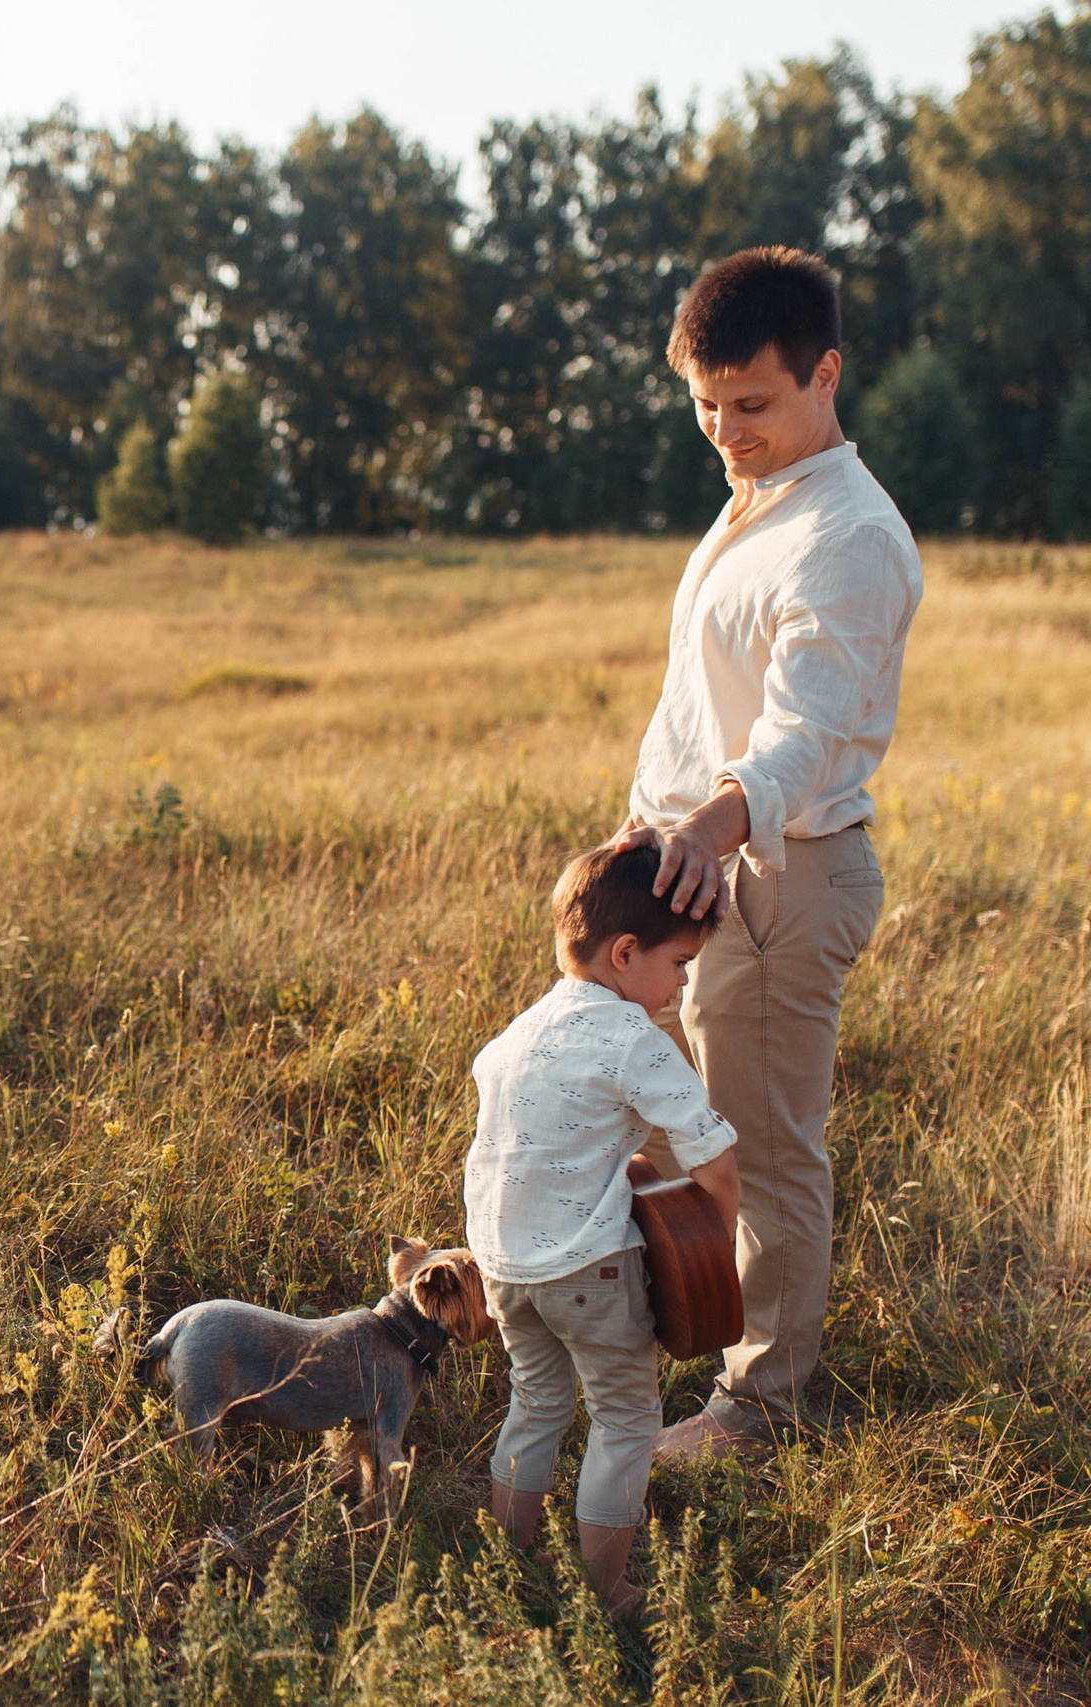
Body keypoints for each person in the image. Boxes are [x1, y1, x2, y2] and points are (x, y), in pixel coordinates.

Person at [617, 246, 921, 1461]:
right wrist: (646, 826)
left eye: (750, 403)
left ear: (824, 374)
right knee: (648, 1125)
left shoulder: (848, 537)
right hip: (688, 868)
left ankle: (762, 1407)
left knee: (763, 1150)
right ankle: (645, 1338)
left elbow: (802, 733)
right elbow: (697, 700)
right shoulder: (757, 498)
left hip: (778, 878)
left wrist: (709, 823)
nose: (724, 431)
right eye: (704, 405)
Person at [467, 842, 742, 1616]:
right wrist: (710, 1249)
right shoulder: (631, 1037)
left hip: (505, 1268)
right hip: (590, 1269)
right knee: (625, 1420)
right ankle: (606, 1593)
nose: (682, 981)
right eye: (680, 962)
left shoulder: (513, 1037)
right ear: (626, 954)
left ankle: (509, 1562)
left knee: (536, 1405)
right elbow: (715, 1158)